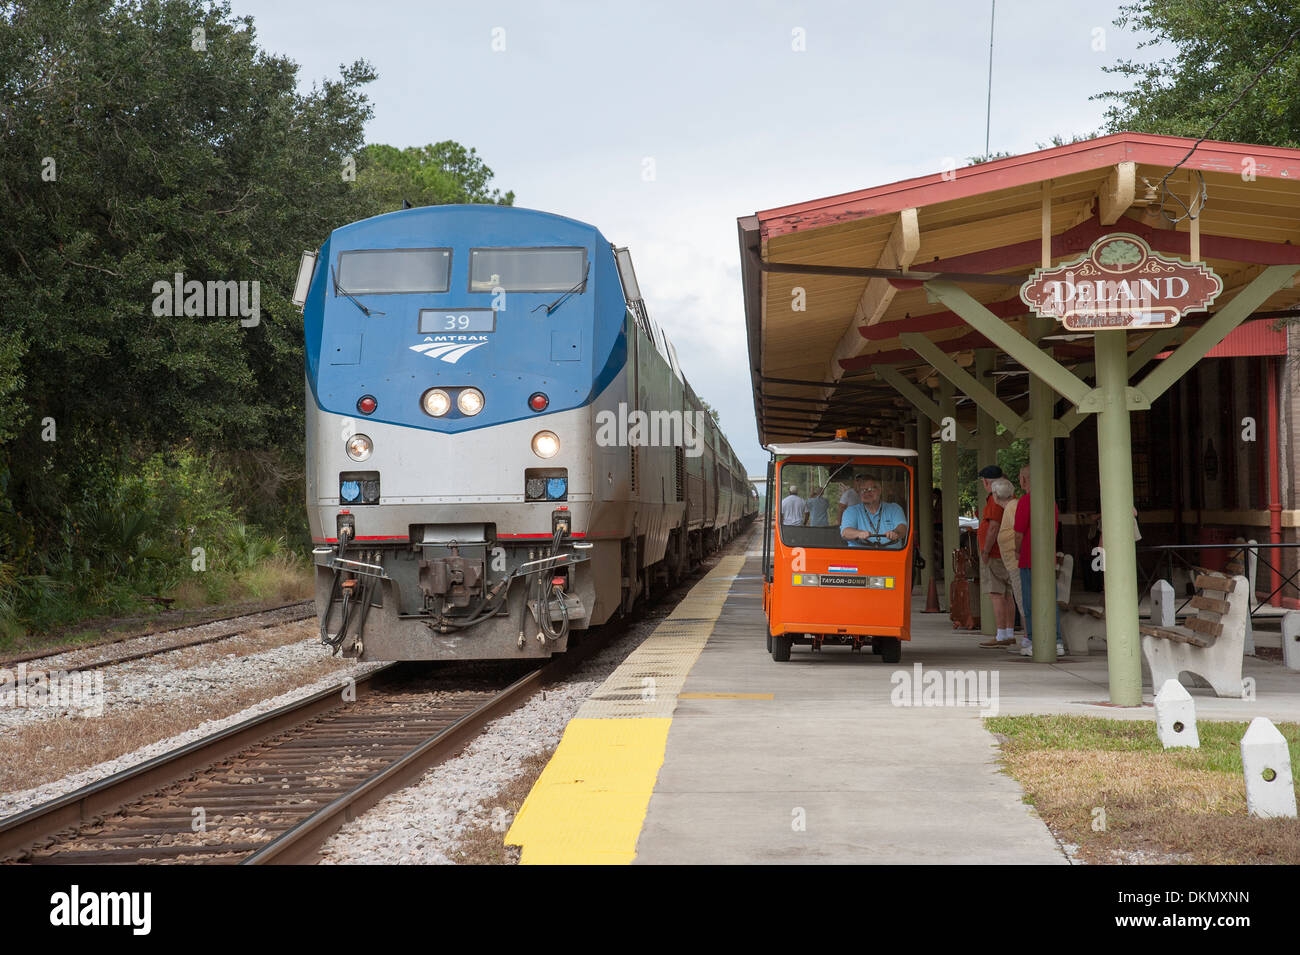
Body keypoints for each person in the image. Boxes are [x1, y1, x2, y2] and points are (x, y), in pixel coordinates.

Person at [1011, 464, 1064, 657]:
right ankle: (1056, 640)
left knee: (1029, 602)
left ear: (1024, 480)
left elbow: (1018, 533)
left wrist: (1016, 551)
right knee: (1050, 600)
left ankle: (1034, 639)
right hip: (1047, 560)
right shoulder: (1051, 502)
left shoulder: (1026, 501)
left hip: (1028, 559)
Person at [975, 466, 1015, 649]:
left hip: (995, 553)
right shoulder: (1011, 498)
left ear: (985, 482)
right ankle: (1008, 633)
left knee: (996, 593)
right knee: (1007, 594)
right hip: (1006, 552)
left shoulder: (994, 498)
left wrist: (985, 550)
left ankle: (1000, 634)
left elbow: (993, 527)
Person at [992, 477, 1026, 634]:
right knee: (1020, 599)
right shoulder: (1011, 506)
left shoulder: (1012, 507)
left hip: (1017, 562)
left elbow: (1019, 531)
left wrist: (1018, 552)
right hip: (1014, 562)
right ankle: (1029, 637)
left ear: (995, 495)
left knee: (1022, 601)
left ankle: (1029, 638)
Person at [840, 472, 908, 548]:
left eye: (870, 489)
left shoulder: (895, 508)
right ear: (859, 493)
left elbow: (902, 528)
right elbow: (845, 533)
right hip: (860, 557)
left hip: (892, 556)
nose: (866, 493)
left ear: (879, 490)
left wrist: (895, 533)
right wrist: (859, 533)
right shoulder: (851, 511)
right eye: (863, 490)